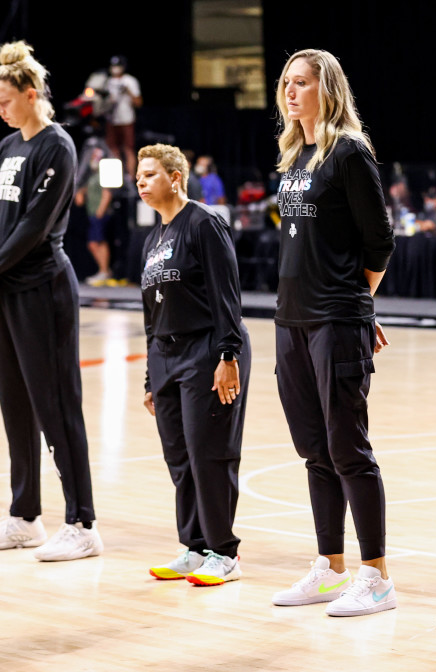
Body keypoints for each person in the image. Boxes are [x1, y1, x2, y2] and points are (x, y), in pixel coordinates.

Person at [268, 49, 398, 617]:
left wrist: (357, 306)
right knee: (314, 451)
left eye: (302, 83)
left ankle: (377, 577)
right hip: (291, 321)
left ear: (328, 90)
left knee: (349, 449)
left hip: (335, 319)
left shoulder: (349, 154)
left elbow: (380, 242)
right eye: (287, 83)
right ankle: (330, 568)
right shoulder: (296, 156)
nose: (291, 92)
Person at [0, 40, 101, 561]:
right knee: (15, 405)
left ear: (30, 94)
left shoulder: (57, 146)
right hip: (4, 291)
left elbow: (35, 224)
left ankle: (83, 522)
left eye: (5, 101)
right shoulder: (5, 150)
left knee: (56, 405)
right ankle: (25, 516)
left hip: (43, 289)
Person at [136, 143, 252, 586]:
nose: (141, 183)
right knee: (179, 458)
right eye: (139, 176)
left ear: (175, 177)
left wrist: (228, 355)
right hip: (166, 357)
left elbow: (227, 297)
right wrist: (152, 375)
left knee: (210, 454)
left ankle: (224, 553)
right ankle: (195, 546)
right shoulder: (153, 238)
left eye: (149, 175)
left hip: (207, 350)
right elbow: (151, 315)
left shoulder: (204, 224)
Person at [75, 142, 115, 285]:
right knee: (95, 241)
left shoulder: (104, 172)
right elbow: (83, 191)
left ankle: (104, 271)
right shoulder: (91, 176)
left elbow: (107, 193)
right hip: (92, 212)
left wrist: (101, 210)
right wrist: (80, 193)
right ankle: (104, 270)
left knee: (96, 241)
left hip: (100, 213)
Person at [104, 55, 142, 174]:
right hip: (111, 119)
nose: (115, 68)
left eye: (118, 66)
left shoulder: (129, 80)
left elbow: (138, 102)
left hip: (126, 119)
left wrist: (127, 91)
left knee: (128, 149)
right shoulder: (108, 81)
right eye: (113, 66)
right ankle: (117, 176)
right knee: (113, 149)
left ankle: (130, 179)